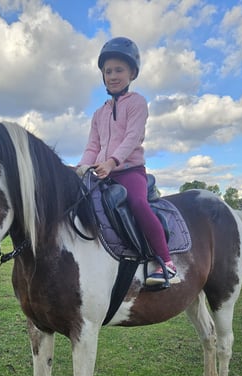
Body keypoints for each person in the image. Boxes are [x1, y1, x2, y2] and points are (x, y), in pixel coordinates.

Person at [76, 37, 178, 286]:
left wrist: (112, 162)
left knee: (137, 203)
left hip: (129, 171)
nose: (112, 75)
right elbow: (92, 146)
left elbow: (132, 137)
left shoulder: (138, 103)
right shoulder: (99, 113)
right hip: (101, 173)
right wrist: (81, 168)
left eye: (119, 70)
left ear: (132, 73)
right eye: (107, 71)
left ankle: (165, 261)